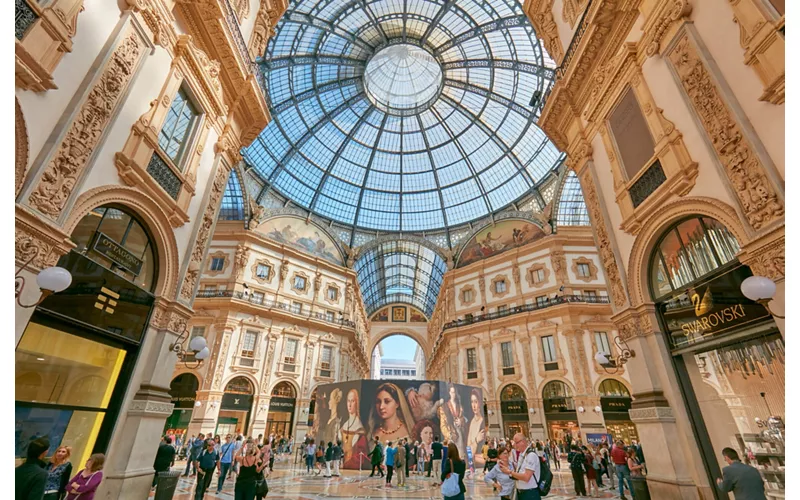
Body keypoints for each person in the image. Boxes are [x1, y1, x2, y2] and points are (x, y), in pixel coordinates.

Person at [499, 433, 541, 500]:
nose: (514, 445)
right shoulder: (522, 455)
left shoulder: (531, 456)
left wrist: (510, 472)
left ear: (523, 442)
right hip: (521, 493)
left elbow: (526, 477)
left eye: (516, 442)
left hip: (530, 494)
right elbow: (519, 473)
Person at [439, 383, 467, 459]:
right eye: (452, 392)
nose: (453, 394)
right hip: (450, 435)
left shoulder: (460, 406)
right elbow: (443, 425)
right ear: (449, 393)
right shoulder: (444, 407)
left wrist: (461, 421)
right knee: (451, 456)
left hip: (459, 434)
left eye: (454, 392)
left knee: (460, 454)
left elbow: (464, 419)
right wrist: (450, 435)